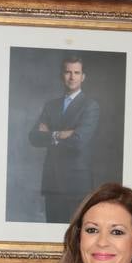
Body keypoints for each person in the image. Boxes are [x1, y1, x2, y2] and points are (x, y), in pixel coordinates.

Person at [27, 56, 101, 223]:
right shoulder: (51, 105)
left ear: (83, 77)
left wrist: (50, 134)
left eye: (76, 72)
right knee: (51, 234)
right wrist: (60, 134)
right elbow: (34, 137)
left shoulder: (90, 106)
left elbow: (78, 141)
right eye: (68, 72)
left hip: (77, 185)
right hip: (52, 183)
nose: (72, 77)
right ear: (62, 75)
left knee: (74, 238)